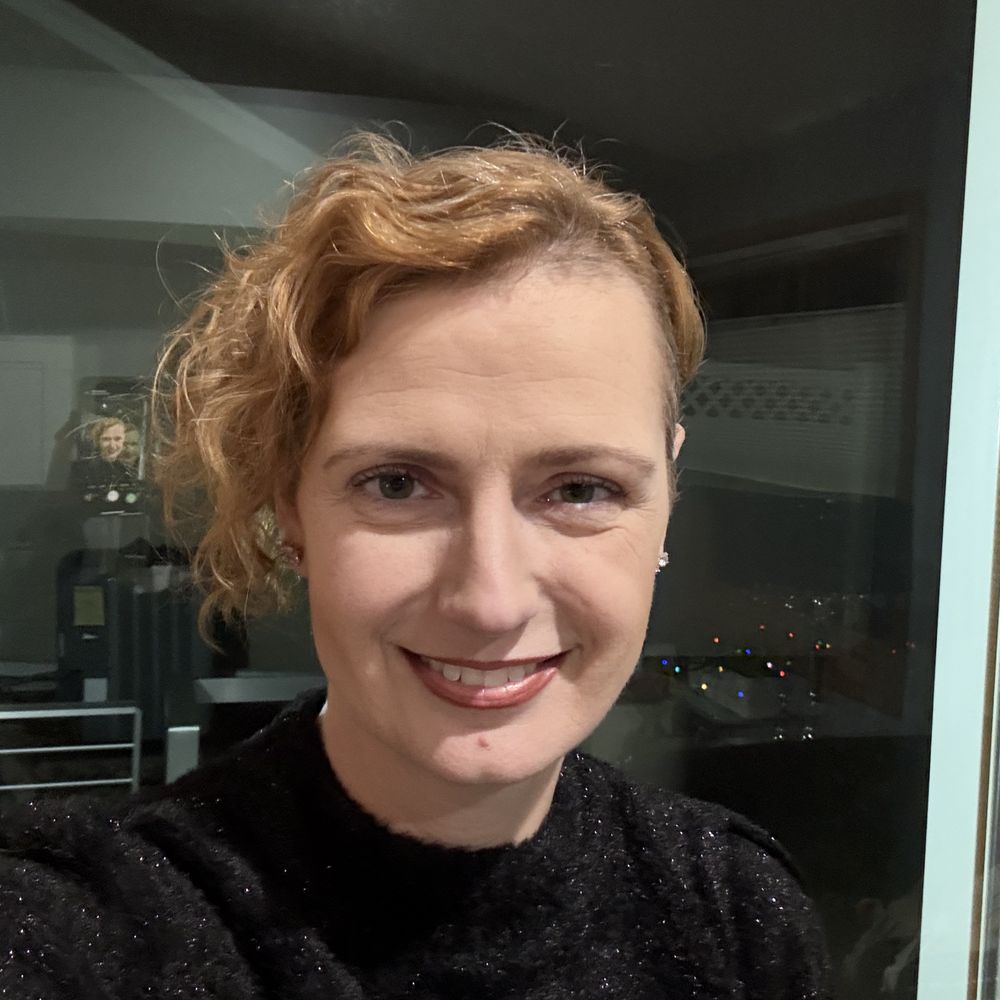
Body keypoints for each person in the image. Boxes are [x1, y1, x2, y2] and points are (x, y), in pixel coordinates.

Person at [0, 134, 830, 998]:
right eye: (397, 484)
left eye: (583, 489)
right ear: (292, 509)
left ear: (667, 495)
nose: (490, 600)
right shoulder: (83, 928)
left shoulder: (734, 912)